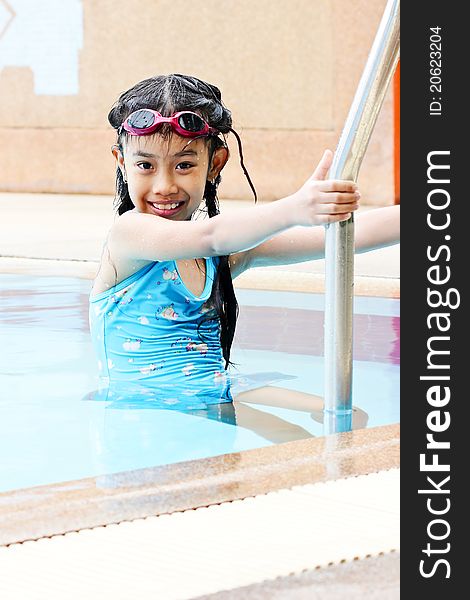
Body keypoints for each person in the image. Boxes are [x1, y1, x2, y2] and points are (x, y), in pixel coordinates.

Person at [88, 73, 398, 436]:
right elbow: (211, 235)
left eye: (184, 164)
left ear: (215, 163)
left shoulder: (220, 258)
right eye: (146, 165)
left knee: (343, 415)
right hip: (144, 412)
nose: (164, 185)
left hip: (214, 392)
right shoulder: (128, 234)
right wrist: (294, 207)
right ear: (121, 162)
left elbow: (339, 238)